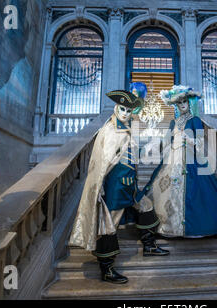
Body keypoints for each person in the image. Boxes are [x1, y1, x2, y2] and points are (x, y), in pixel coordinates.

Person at [69, 90, 169, 285]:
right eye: (122, 108)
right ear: (116, 108)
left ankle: (149, 245)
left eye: (129, 109)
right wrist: (98, 187)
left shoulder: (127, 129)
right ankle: (106, 269)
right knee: (109, 224)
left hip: (129, 184)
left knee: (146, 205)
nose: (125, 112)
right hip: (115, 185)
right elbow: (101, 162)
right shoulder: (109, 130)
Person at [141, 85, 217, 238]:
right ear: (176, 105)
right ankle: (169, 224)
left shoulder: (195, 120)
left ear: (189, 103)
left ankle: (193, 225)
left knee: (193, 191)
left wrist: (188, 139)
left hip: (190, 158)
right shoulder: (174, 122)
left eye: (185, 101)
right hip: (173, 157)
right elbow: (169, 141)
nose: (183, 104)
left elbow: (199, 143)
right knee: (165, 188)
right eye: (179, 103)